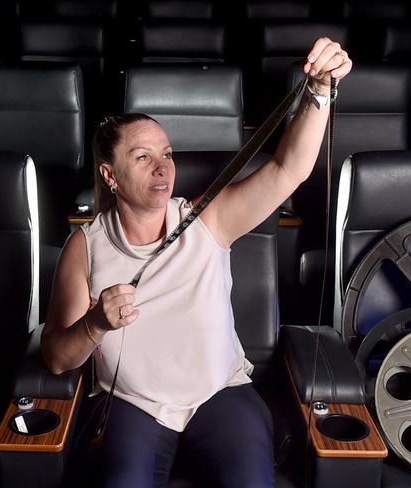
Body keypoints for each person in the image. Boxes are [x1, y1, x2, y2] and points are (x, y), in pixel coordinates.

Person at [42, 37, 352, 487]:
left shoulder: (207, 220)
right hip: (134, 404)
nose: (162, 168)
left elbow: (289, 170)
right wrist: (95, 324)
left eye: (166, 155)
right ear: (109, 175)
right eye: (143, 157)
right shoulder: (85, 246)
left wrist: (320, 91)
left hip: (220, 396)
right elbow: (55, 359)